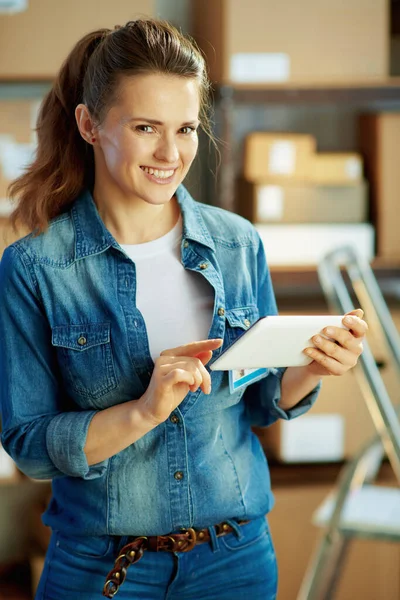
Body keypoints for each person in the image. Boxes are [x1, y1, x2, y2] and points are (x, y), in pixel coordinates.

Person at [0, 19, 367, 600]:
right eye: (146, 127)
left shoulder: (237, 243)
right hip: (105, 571)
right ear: (89, 124)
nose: (171, 154)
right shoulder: (36, 268)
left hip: (236, 562)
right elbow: (29, 445)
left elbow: (263, 401)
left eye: (187, 128)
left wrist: (311, 369)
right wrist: (143, 412)